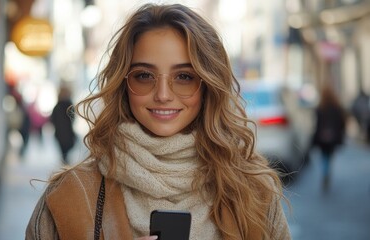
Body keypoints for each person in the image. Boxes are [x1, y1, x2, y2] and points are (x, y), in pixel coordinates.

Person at [26, 3, 291, 240]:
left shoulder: (255, 192)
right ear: (124, 84)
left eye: (184, 77)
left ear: (208, 86)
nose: (163, 95)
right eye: (144, 75)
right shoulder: (69, 196)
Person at [311, 84, 347, 190]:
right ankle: (327, 172)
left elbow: (317, 124)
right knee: (329, 156)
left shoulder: (320, 108)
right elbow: (341, 123)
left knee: (324, 156)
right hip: (333, 137)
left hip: (322, 138)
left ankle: (325, 172)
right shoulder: (337, 107)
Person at [50, 84, 76, 164]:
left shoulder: (57, 106)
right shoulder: (69, 105)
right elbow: (73, 118)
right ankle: (65, 159)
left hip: (59, 133)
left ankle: (65, 159)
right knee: (68, 147)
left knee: (63, 149)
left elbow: (52, 119)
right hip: (68, 132)